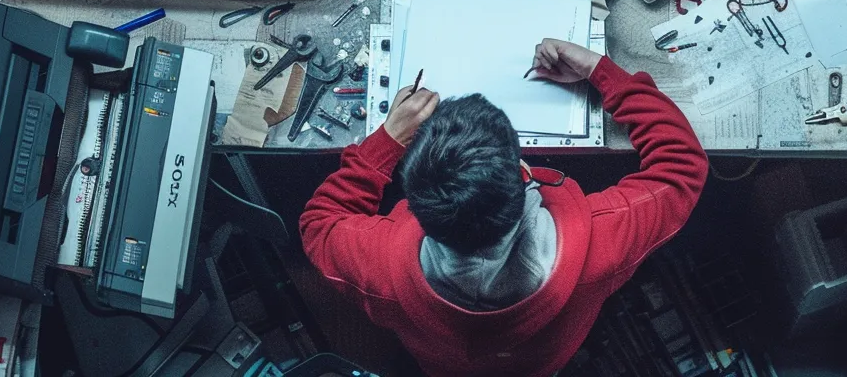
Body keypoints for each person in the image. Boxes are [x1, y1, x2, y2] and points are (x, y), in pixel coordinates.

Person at [299, 37, 708, 377]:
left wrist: (387, 140)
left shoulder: (377, 264)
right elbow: (681, 167)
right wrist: (600, 70)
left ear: (413, 202)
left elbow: (318, 223)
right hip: (544, 362)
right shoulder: (602, 242)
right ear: (523, 170)